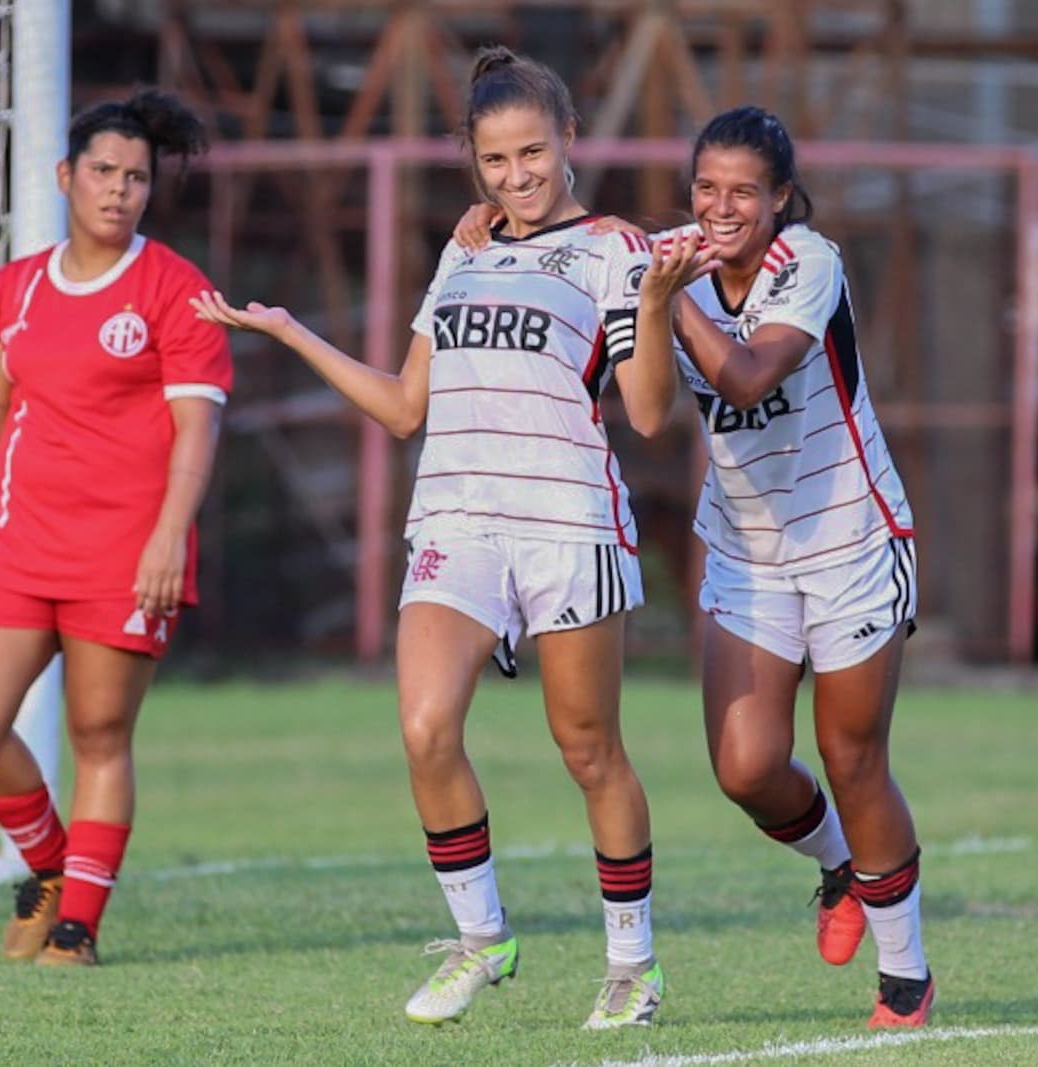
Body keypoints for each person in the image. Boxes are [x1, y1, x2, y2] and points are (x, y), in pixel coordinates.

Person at [194, 47, 713, 1028]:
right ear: (471, 165)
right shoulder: (462, 250)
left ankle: (631, 963)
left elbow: (646, 414)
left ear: (566, 141)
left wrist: (652, 302)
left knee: (588, 747)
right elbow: (402, 408)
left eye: (531, 153)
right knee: (426, 728)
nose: (515, 175)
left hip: (566, 522)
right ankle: (481, 939)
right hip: (454, 520)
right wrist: (291, 330)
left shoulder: (617, 248)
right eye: (494, 161)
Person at [453, 104, 933, 1029]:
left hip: (849, 541)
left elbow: (749, 375)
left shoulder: (812, 263)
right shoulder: (664, 253)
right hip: (748, 551)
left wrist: (665, 298)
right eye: (706, 187)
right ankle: (840, 865)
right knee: (747, 768)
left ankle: (904, 972)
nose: (720, 206)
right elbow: (570, 239)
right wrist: (485, 227)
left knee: (850, 755)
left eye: (744, 191)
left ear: (780, 198)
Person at [0, 89, 232, 966]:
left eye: (136, 177)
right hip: (17, 542)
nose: (118, 190)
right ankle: (52, 867)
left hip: (125, 548)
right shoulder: (12, 290)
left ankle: (79, 926)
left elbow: (196, 432)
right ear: (65, 176)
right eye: (103, 171)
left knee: (99, 734)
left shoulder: (178, 290)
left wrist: (164, 538)